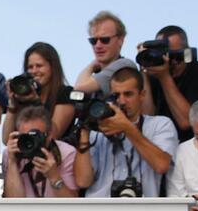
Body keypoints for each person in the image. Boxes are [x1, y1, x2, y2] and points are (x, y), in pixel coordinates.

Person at [74, 67, 178, 198]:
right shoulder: (98, 132)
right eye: (116, 95)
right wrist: (84, 132)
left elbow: (161, 165)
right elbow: (82, 181)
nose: (122, 101)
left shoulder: (160, 124)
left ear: (142, 95)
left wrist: (127, 128)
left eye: (128, 94)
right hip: (101, 209)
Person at [141, 25, 198, 142]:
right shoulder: (155, 74)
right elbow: (147, 118)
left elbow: (187, 122)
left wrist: (165, 77)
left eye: (175, 55)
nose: (171, 61)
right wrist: (144, 69)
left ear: (186, 53)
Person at [1, 42, 74, 144]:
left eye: (39, 66)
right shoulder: (24, 96)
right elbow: (6, 140)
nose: (34, 71)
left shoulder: (65, 93)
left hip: (58, 156)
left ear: (52, 67)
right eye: (30, 67)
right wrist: (12, 104)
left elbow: (54, 134)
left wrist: (36, 102)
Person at [3, 105, 78, 198]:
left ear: (50, 134)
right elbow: (14, 203)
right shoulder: (12, 152)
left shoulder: (66, 153)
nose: (31, 141)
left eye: (36, 135)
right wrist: (12, 162)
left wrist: (54, 177)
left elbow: (71, 205)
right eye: (26, 137)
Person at [75, 10, 138, 97]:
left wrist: (91, 66)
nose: (98, 45)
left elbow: (79, 88)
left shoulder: (124, 65)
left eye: (105, 40)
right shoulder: (93, 77)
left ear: (120, 40)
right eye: (93, 41)